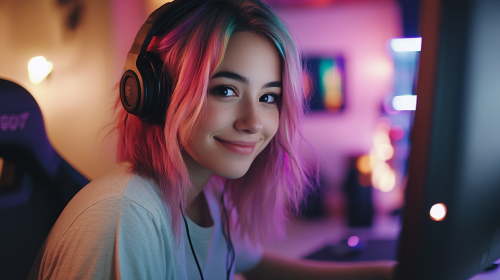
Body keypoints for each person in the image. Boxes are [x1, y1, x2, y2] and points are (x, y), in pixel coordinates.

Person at [29, 0, 395, 279]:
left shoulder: (207, 196)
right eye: (225, 90)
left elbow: (264, 267)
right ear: (156, 94)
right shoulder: (126, 216)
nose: (254, 122)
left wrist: (394, 271)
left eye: (269, 97)